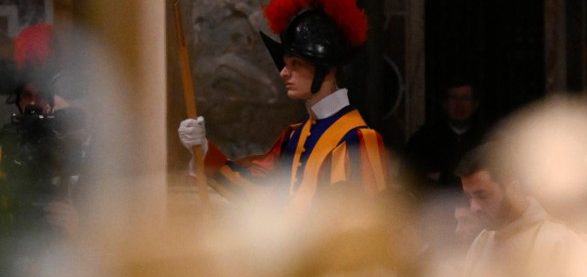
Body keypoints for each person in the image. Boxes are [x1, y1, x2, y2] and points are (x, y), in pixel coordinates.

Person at [177, 0, 389, 212]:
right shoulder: (294, 137)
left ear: (327, 69)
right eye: (286, 64)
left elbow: (363, 230)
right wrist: (203, 150)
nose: (284, 73)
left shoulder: (357, 140)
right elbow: (259, 192)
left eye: (296, 64)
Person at [455, 143, 582, 277]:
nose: (474, 208)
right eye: (469, 198)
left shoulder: (559, 243)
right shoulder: (482, 242)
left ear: (513, 188)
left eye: (482, 195)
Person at [0, 23, 88, 237]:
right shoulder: (8, 142)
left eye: (40, 95)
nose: (33, 104)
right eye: (27, 96)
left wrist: (80, 231)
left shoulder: (75, 142)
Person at [404, 75, 486, 197]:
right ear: (444, 103)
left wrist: (443, 178)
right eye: (453, 98)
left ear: (475, 104)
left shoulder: (486, 139)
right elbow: (413, 181)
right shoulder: (422, 140)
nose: (459, 104)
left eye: (465, 98)